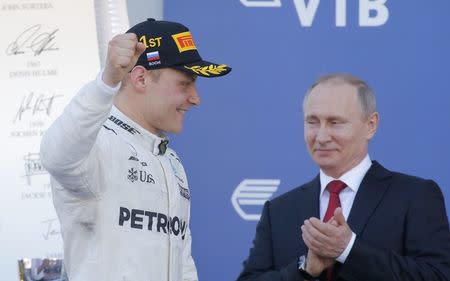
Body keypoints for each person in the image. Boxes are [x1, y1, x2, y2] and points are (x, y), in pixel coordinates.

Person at [40, 18, 231, 281]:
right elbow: (56, 157)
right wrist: (106, 82)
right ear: (141, 78)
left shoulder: (171, 161)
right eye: (185, 83)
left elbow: (182, 263)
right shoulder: (98, 145)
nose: (196, 98)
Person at [236, 74, 450, 281]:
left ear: (371, 125)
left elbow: (438, 276)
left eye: (335, 122)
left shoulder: (415, 197)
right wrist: (305, 270)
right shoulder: (279, 210)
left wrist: (348, 249)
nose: (321, 137)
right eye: (312, 122)